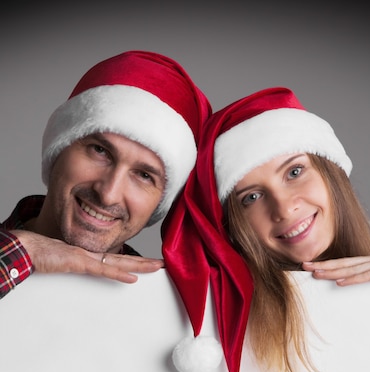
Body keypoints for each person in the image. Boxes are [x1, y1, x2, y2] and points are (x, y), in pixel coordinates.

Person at [162, 86, 370, 372]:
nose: (283, 208)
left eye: (294, 172)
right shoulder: (199, 314)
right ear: (231, 225)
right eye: (250, 197)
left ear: (330, 174)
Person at [0, 50, 212, 299]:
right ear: (59, 147)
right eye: (100, 151)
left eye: (144, 175)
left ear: (161, 201)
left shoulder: (164, 309)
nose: (108, 194)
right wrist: (22, 252)